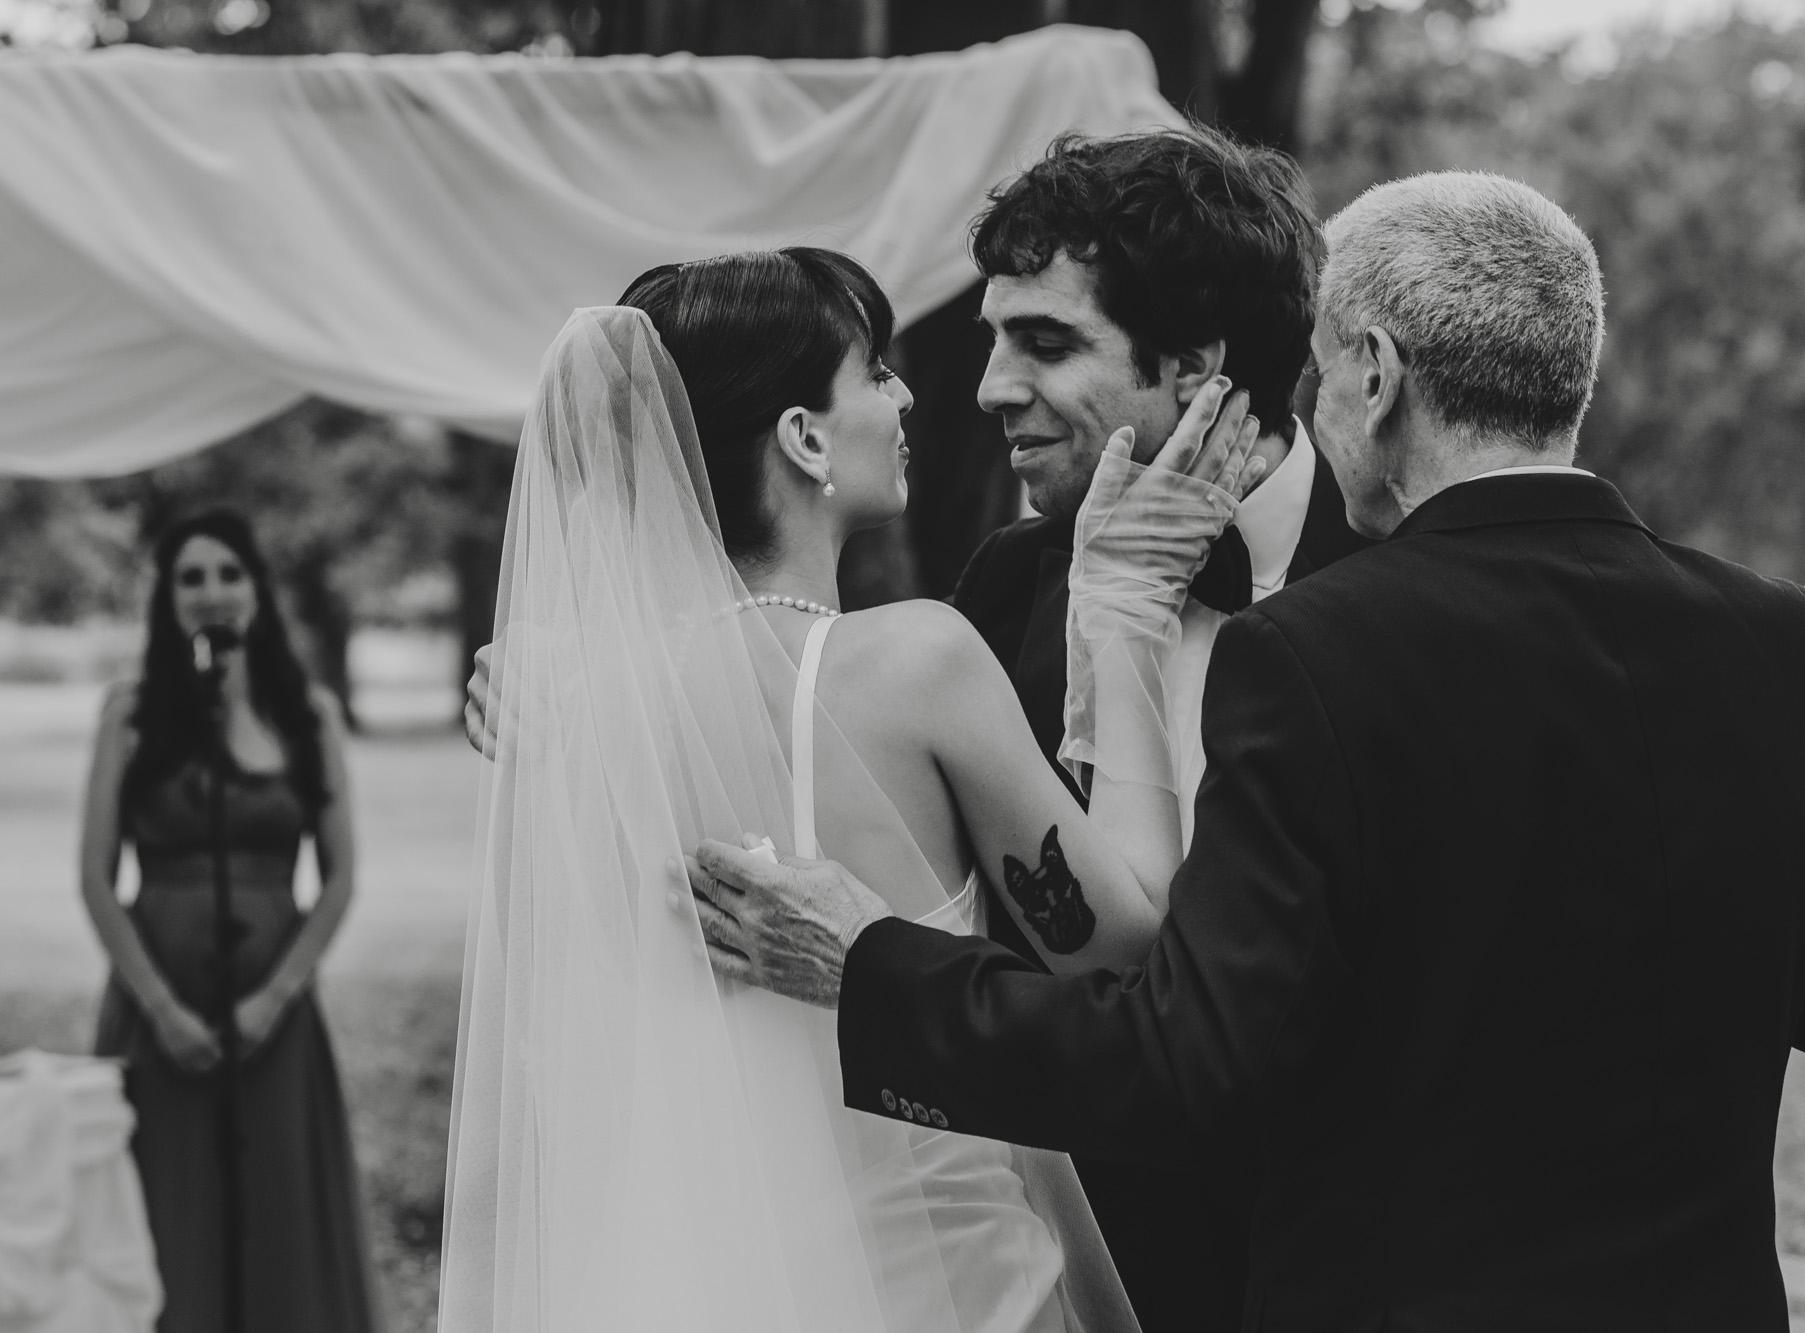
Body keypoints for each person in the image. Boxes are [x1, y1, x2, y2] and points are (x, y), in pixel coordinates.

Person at [690, 172, 1805, 1331]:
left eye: (1045, 340)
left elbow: (1187, 1060)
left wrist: (873, 972)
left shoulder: (1321, 646)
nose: (986, 388)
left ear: (1371, 373)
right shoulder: (1775, 640)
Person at [439, 250, 1261, 1332]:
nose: (907, 395)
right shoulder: (914, 662)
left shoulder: (577, 714)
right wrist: (1122, 618)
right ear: (804, 438)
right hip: (949, 1289)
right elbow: (1126, 940)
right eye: (873, 371)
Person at [949, 127, 1376, 1331]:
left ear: (1193, 365)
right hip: (1081, 1263)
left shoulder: (1403, 592)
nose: (990, 386)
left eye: (1044, 342)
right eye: (993, 339)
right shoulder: (1008, 584)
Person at [79, 508, 382, 1333]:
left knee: (277, 1218)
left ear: (256, 588)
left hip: (272, 1019)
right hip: (157, 1013)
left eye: (228, 572)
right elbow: (96, 880)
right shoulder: (130, 711)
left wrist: (274, 997)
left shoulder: (306, 713)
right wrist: (162, 1010)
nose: (211, 592)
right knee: (164, 1216)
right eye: (191, 577)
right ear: (167, 598)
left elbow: (341, 876)